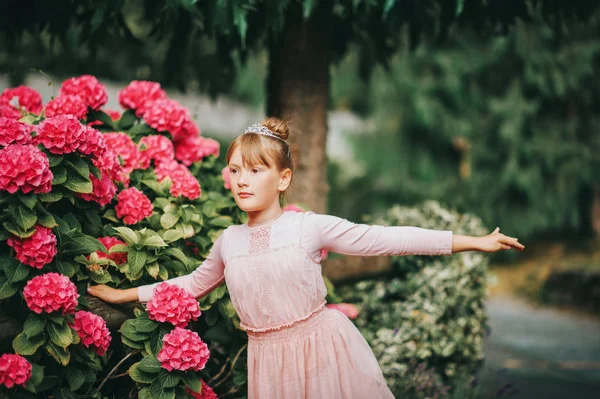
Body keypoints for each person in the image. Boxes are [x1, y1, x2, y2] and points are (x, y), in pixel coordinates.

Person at [88, 117, 524, 398]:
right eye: (235, 170)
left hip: (325, 353)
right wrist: (122, 294)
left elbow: (385, 238)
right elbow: (191, 286)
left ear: (284, 178)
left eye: (256, 170)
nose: (242, 180)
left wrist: (472, 241)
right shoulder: (229, 241)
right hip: (269, 366)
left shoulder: (308, 227)